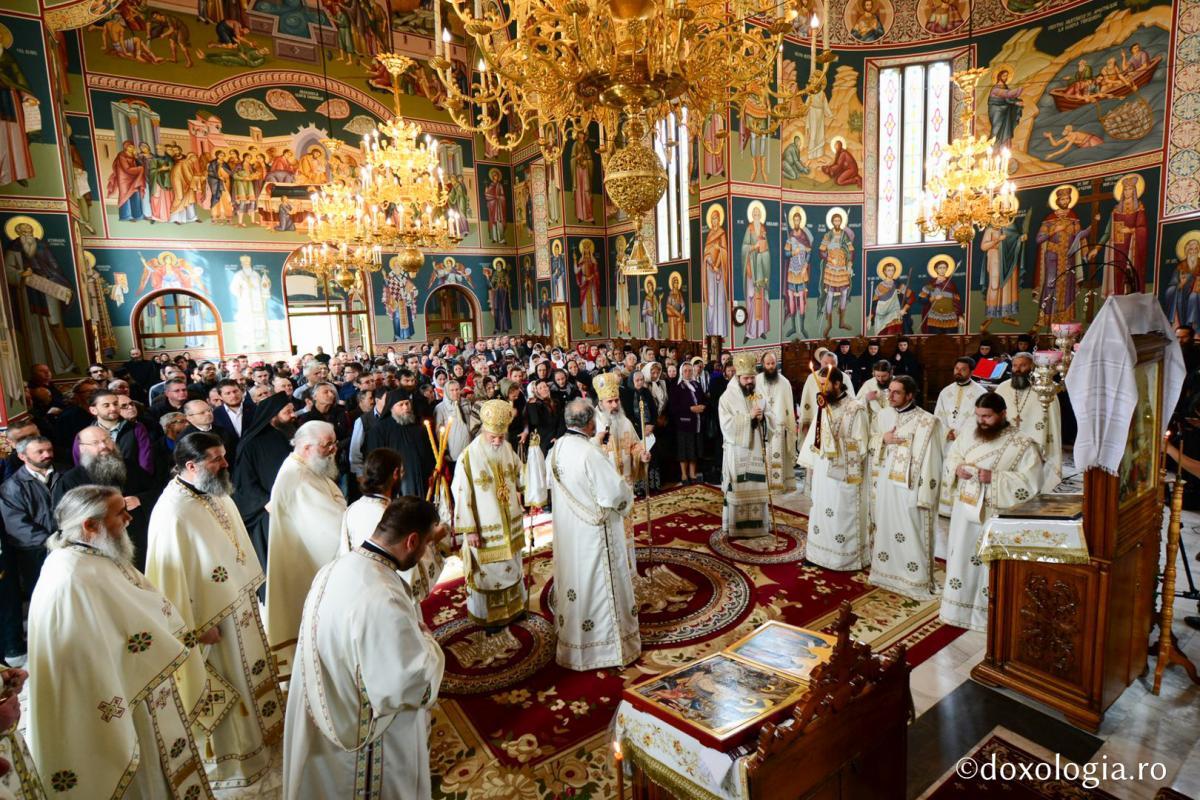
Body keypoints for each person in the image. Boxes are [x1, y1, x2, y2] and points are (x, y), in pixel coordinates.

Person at [28, 485, 213, 799]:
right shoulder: (71, 575)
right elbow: (87, 650)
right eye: (119, 512)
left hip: (136, 681)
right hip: (114, 692)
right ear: (90, 525)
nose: (129, 517)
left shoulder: (96, 554)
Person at [282, 497, 446, 800]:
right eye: (425, 546)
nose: (423, 553)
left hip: (326, 716)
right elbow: (411, 684)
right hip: (362, 734)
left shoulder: (334, 568)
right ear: (412, 541)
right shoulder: (383, 596)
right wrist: (430, 646)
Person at [146, 433, 283, 788]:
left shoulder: (215, 492)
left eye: (224, 456)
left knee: (250, 675)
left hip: (240, 609)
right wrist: (190, 630)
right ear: (191, 466)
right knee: (228, 685)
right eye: (216, 459)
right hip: (211, 624)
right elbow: (168, 581)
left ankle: (262, 737)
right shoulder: (171, 512)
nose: (225, 464)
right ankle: (235, 759)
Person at [547, 399, 640, 670]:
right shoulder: (590, 453)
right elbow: (614, 494)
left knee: (576, 583)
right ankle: (605, 649)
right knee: (597, 585)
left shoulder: (556, 449)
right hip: (594, 534)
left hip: (568, 533)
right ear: (590, 423)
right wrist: (626, 500)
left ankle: (574, 647)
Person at [939, 393, 1042, 630]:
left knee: (986, 563)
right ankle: (956, 607)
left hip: (994, 516)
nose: (982, 421)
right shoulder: (970, 434)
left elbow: (1031, 482)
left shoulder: (1023, 444)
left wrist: (993, 478)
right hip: (965, 510)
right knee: (961, 556)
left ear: (1003, 414)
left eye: (987, 416)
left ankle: (987, 615)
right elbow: (953, 455)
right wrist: (957, 468)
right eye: (978, 416)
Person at [265, 420, 348, 679]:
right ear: (305, 446)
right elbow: (330, 529)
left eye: (334, 442)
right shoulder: (299, 477)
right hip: (308, 562)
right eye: (327, 445)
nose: (333, 449)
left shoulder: (305, 467)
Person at [451, 400, 529, 629]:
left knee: (512, 566)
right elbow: (461, 495)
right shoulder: (469, 456)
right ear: (483, 430)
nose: (497, 441)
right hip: (485, 526)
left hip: (510, 521)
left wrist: (531, 466)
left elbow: (519, 474)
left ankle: (515, 609)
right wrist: (470, 529)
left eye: (500, 436)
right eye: (492, 436)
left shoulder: (506, 448)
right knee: (489, 572)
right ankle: (490, 617)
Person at [868, 377, 944, 599]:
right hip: (886, 482)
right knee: (885, 524)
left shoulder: (928, 422)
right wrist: (884, 439)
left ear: (910, 395)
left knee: (912, 528)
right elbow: (870, 440)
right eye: (889, 392)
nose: (889, 396)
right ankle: (885, 573)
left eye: (896, 393)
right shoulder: (883, 415)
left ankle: (913, 579)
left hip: (910, 488)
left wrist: (925, 494)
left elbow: (933, 462)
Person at [54, 426, 157, 571]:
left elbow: (157, 491)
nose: (103, 446)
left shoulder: (130, 466)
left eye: (106, 440)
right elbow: (65, 519)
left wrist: (140, 499)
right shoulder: (71, 479)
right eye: (95, 443)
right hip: (101, 546)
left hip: (139, 540)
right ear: (82, 448)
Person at [798, 367, 869, 570]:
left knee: (840, 513)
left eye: (824, 384)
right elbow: (815, 438)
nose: (820, 388)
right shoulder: (823, 405)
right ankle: (817, 554)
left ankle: (841, 559)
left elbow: (861, 446)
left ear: (837, 384)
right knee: (820, 511)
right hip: (822, 472)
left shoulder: (856, 409)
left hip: (842, 473)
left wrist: (836, 444)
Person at [231, 392, 295, 573]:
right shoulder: (250, 445)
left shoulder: (289, 436)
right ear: (273, 416)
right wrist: (266, 502)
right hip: (269, 513)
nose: (293, 415)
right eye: (288, 412)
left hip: (293, 506)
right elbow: (244, 483)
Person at [0, 437, 58, 614]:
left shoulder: (65, 474)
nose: (47, 455)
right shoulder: (12, 487)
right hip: (35, 554)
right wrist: (54, 541)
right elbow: (17, 526)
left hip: (70, 547)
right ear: (22, 456)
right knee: (45, 603)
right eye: (40, 452)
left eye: (49, 450)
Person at [718, 353, 773, 539]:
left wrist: (763, 418)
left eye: (752, 377)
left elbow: (772, 417)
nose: (749, 381)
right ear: (738, 377)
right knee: (739, 487)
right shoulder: (726, 398)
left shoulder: (759, 394)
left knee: (757, 486)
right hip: (737, 451)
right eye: (746, 378)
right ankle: (736, 528)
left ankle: (759, 527)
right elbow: (726, 426)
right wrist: (748, 417)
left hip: (756, 449)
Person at [995, 351, 1062, 492]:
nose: (1017, 370)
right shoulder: (1002, 388)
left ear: (1032, 367)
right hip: (1007, 444)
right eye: (1014, 366)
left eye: (1023, 366)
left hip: (1036, 445)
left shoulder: (1046, 388)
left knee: (1033, 482)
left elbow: (1054, 423)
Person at [365, 396, 436, 497]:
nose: (406, 407)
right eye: (401, 405)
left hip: (422, 478)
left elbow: (429, 451)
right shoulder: (380, 429)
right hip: (398, 480)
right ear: (391, 408)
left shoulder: (418, 426)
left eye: (407, 403)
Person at [592, 373, 650, 496]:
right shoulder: (592, 422)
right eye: (610, 401)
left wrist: (641, 454)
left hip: (625, 479)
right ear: (601, 402)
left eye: (616, 400)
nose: (614, 405)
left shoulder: (624, 421)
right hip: (605, 480)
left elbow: (634, 445)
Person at [756, 352, 796, 494]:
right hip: (762, 425)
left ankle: (778, 486)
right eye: (768, 364)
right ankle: (763, 486)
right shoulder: (757, 381)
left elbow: (789, 407)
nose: (771, 366)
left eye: (773, 363)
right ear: (763, 365)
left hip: (779, 426)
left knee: (777, 455)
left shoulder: (784, 382)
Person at [933, 357, 987, 459]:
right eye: (956, 368)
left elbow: (978, 419)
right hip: (947, 440)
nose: (958, 372)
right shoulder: (945, 391)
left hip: (968, 441)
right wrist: (946, 432)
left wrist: (959, 434)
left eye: (963, 369)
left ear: (971, 372)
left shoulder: (981, 393)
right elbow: (938, 414)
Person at [670, 362, 705, 485]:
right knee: (684, 451)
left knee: (694, 449)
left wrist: (702, 406)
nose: (688, 373)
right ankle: (684, 475)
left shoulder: (697, 384)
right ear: (681, 372)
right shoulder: (677, 387)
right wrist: (690, 409)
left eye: (690, 370)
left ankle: (692, 473)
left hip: (697, 423)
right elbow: (674, 408)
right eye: (685, 371)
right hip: (684, 423)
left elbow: (703, 399)